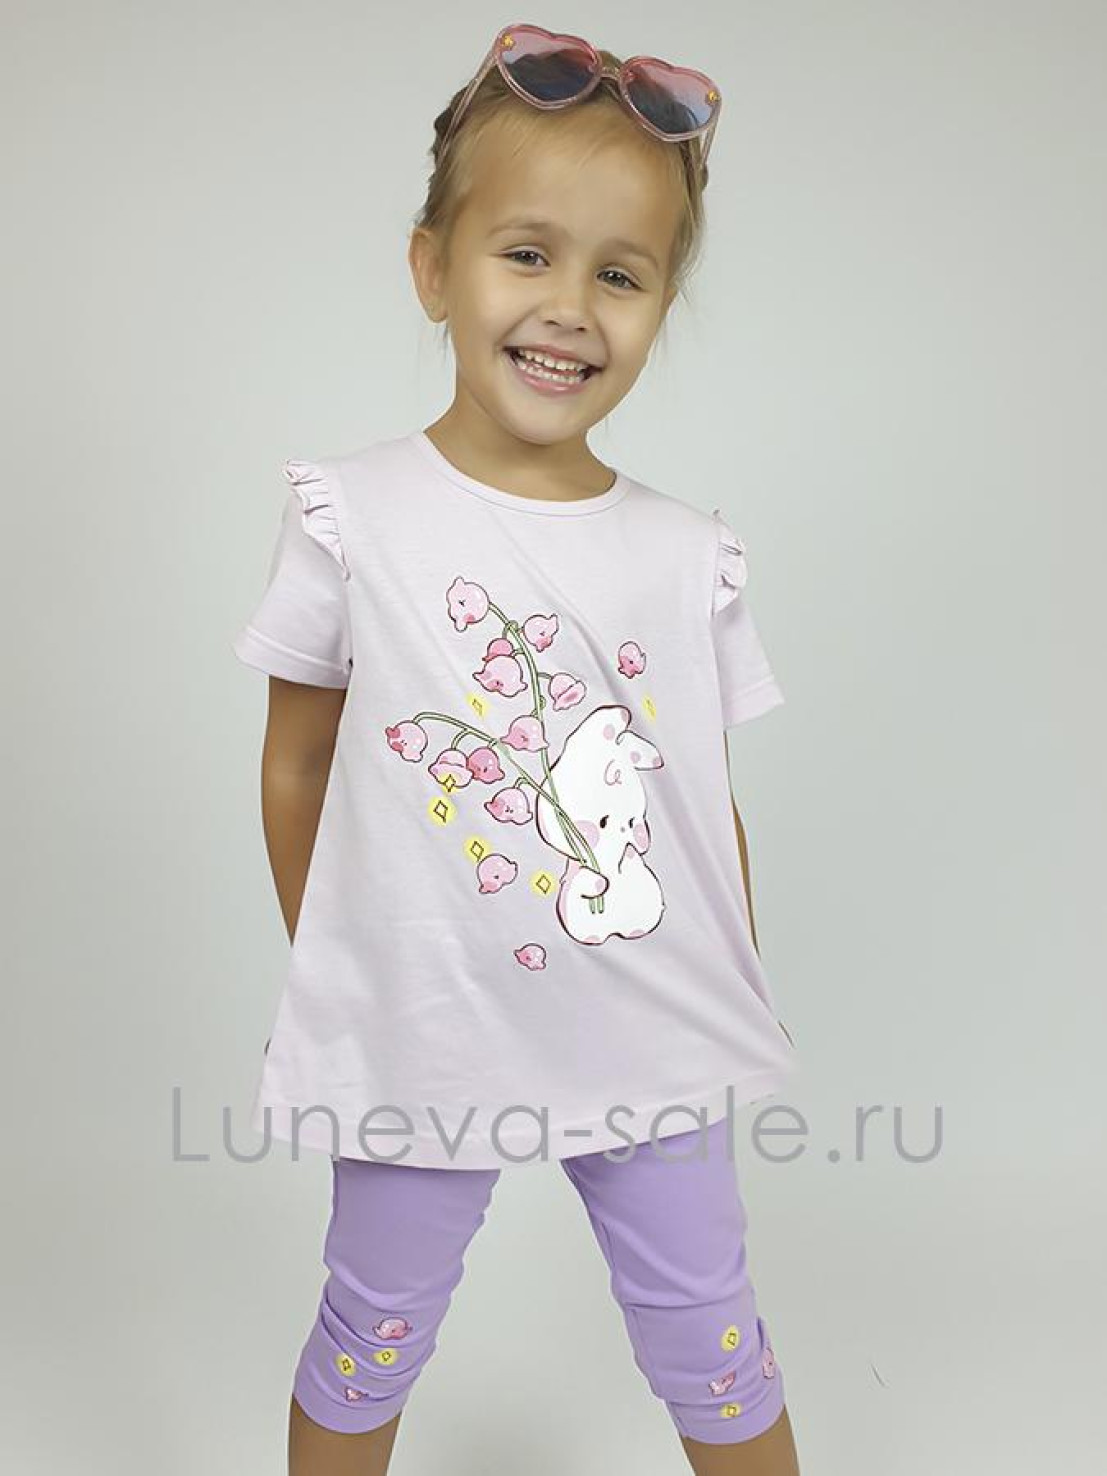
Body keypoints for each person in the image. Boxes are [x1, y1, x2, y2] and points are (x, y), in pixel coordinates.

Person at [232, 22, 803, 1476]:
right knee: (373, 1326)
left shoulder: (687, 554)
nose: (569, 308)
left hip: (649, 1031)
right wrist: (356, 975)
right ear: (434, 268)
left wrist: (723, 992)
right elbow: (297, 765)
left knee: (711, 1334)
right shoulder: (352, 517)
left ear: (662, 304)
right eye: (527, 254)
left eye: (621, 273)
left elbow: (701, 810)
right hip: (423, 1032)